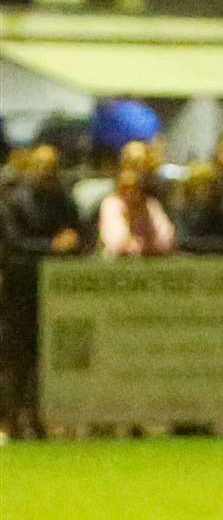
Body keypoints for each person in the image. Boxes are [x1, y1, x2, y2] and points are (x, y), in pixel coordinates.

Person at [1, 144, 84, 438]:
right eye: (41, 165)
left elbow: (81, 235)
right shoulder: (13, 202)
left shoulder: (64, 200)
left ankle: (38, 420)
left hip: (58, 293)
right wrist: (53, 246)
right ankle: (11, 420)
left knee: (46, 361)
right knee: (16, 360)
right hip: (20, 292)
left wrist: (73, 241)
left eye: (51, 166)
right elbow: (13, 245)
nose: (46, 171)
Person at [98, 169, 176, 257]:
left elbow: (167, 239)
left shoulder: (150, 204)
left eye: (136, 188)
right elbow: (116, 243)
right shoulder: (111, 204)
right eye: (126, 188)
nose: (131, 192)